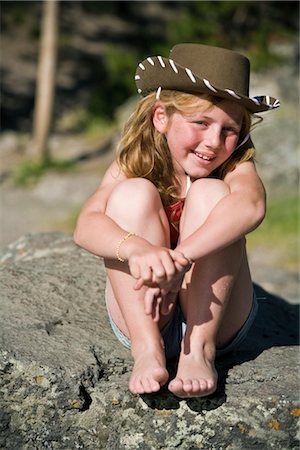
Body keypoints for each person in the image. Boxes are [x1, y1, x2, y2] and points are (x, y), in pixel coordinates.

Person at [73, 43, 280, 398]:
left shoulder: (235, 165)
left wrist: (179, 260)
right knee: (130, 195)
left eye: (229, 130)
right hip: (146, 313)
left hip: (217, 321)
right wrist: (139, 251)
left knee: (211, 195)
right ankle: (146, 349)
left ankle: (199, 350)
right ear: (161, 117)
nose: (214, 143)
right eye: (201, 123)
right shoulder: (136, 161)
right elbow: (86, 225)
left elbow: (251, 207)